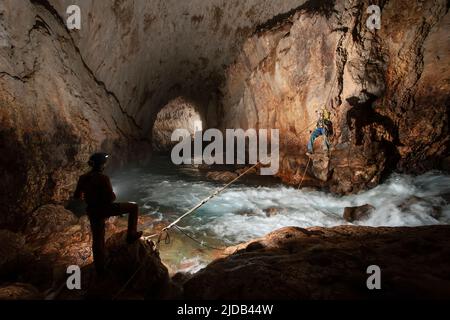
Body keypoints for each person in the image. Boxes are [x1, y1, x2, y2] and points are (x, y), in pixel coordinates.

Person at [73, 152, 142, 274]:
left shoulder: (83, 178)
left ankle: (100, 269)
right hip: (105, 208)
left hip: (92, 211)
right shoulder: (103, 178)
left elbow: (77, 196)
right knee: (133, 207)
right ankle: (131, 234)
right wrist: (112, 194)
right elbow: (111, 198)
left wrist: (88, 196)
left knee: (97, 239)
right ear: (102, 165)